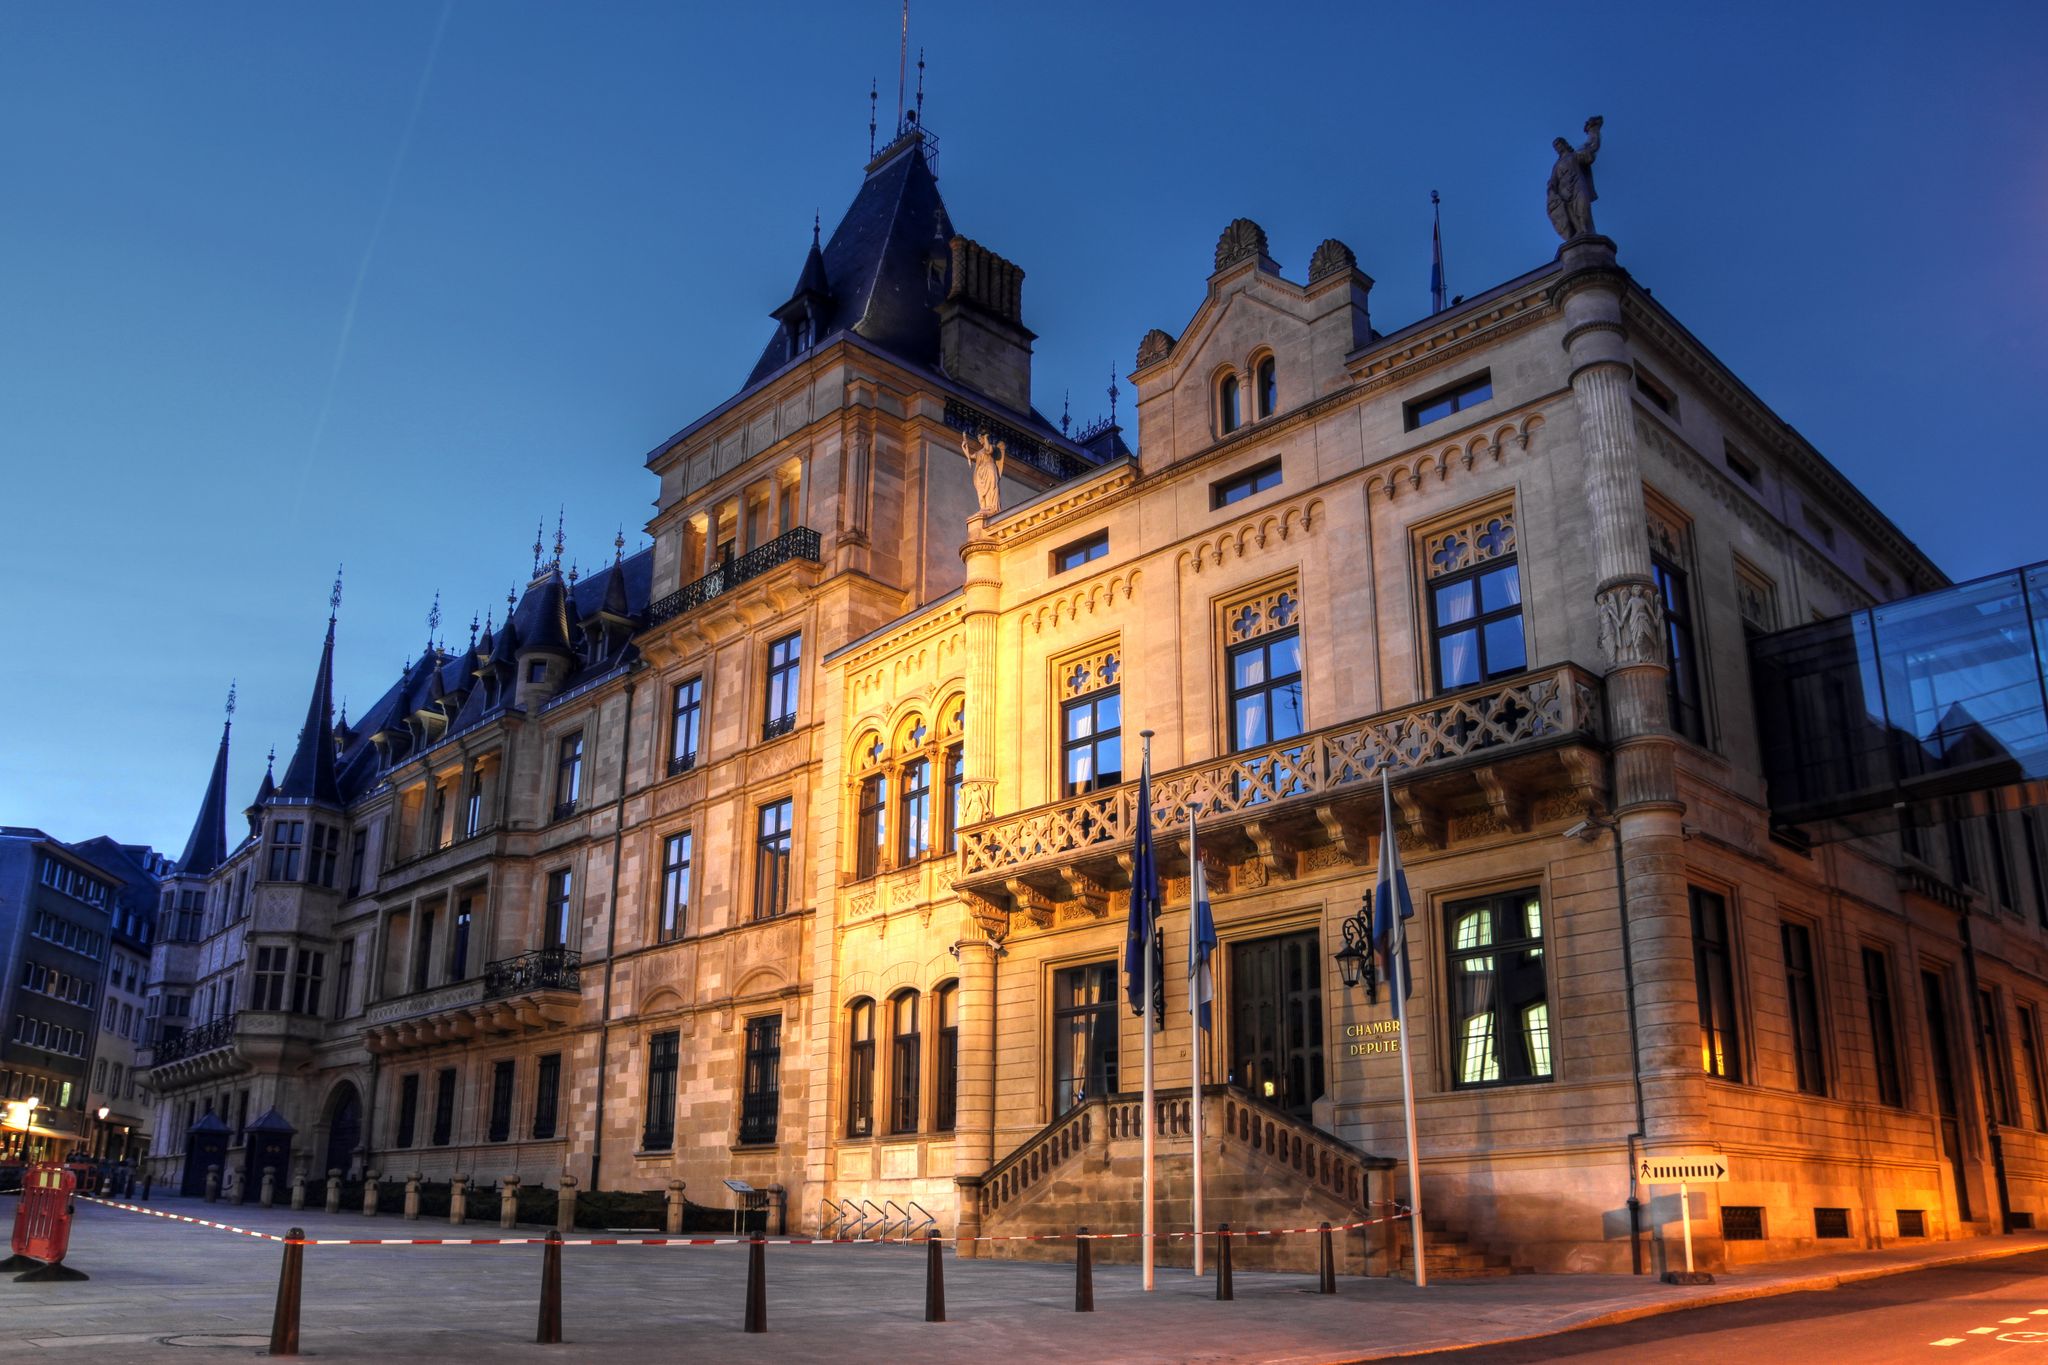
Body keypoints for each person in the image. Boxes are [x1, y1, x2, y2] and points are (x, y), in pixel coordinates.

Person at [1546, 116, 1604, 240]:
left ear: (1565, 144)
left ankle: (1585, 230)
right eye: (1555, 146)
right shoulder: (1556, 165)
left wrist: (1594, 131)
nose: (1558, 147)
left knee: (1582, 206)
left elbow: (1592, 148)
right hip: (1564, 191)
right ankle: (1578, 232)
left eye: (1559, 144)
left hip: (1577, 183)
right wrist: (1552, 188)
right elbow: (1553, 181)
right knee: (1570, 212)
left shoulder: (1574, 155)